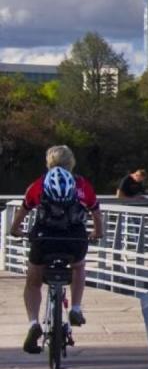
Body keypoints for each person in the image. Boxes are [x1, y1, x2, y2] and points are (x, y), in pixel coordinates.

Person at [9, 145, 103, 354]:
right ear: (72, 163)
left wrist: (15, 230)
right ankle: (76, 308)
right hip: (74, 240)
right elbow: (97, 214)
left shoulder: (39, 184)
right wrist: (98, 233)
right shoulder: (81, 185)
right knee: (78, 267)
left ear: (48, 162)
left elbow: (22, 212)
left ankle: (33, 324)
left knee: (33, 281)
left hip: (45, 240)